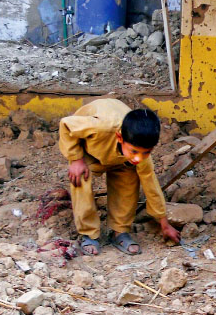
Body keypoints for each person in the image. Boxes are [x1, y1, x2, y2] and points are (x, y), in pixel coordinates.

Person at [58, 98, 181, 255]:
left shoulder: (140, 155)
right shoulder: (101, 127)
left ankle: (120, 230)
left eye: (146, 152)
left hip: (119, 157)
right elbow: (66, 124)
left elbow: (152, 187)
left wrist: (164, 224)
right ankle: (88, 234)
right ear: (120, 137)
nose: (139, 158)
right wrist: (76, 159)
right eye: (134, 151)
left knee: (129, 181)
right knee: (80, 177)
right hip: (88, 148)